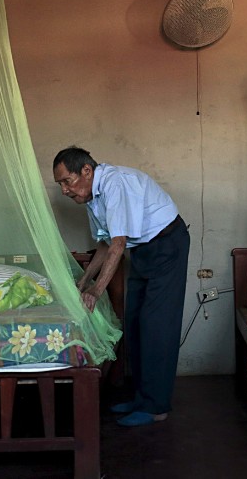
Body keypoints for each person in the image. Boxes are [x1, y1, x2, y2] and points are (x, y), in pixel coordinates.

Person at [52, 145, 190, 428]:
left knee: (157, 326)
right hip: (143, 251)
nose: (64, 190)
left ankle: (156, 406)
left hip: (166, 246)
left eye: (67, 181)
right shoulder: (92, 198)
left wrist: (95, 291)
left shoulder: (116, 183)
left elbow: (118, 243)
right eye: (60, 184)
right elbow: (104, 243)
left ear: (87, 171)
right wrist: (84, 280)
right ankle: (142, 398)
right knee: (136, 323)